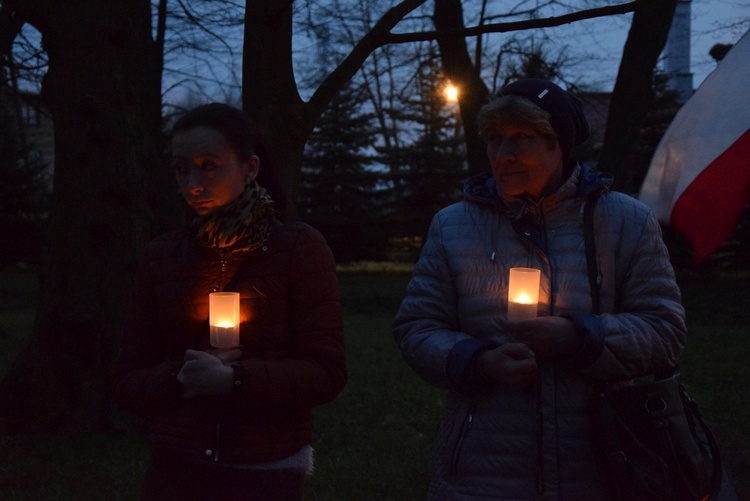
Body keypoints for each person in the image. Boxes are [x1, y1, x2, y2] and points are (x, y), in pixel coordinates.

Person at [392, 78, 687, 499]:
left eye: (521, 138)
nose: (503, 155)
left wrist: (581, 337)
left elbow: (665, 333)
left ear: (559, 145)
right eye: (495, 139)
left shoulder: (626, 222)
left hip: (603, 467)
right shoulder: (454, 225)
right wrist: (479, 361)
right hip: (481, 471)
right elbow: (416, 327)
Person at [112, 103, 346, 500]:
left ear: (250, 167)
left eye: (209, 165)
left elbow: (326, 371)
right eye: (181, 168)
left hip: (266, 466)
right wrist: (179, 379)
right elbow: (125, 378)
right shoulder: (162, 256)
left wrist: (234, 381)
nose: (192, 185)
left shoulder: (298, 249)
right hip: (178, 467)